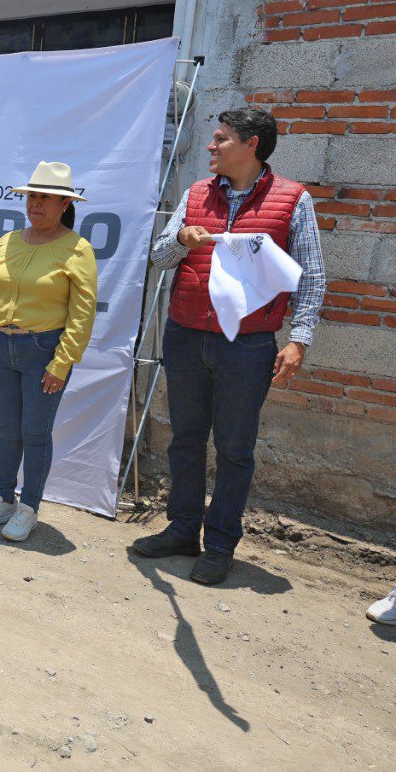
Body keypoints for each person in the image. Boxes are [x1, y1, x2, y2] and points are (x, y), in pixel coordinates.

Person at [132, 107, 325, 585]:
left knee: (235, 449)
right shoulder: (197, 193)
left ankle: (219, 545)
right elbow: (157, 257)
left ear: (251, 144)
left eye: (221, 139)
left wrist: (299, 339)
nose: (211, 146)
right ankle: (181, 530)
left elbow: (312, 276)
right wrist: (181, 238)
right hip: (187, 334)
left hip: (248, 345)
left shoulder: (292, 200)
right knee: (186, 439)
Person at [0, 162, 98, 542]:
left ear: (64, 205)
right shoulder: (10, 240)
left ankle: (29, 506)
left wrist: (62, 362)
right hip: (1, 344)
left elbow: (82, 313)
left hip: (44, 350)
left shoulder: (77, 248)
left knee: (35, 432)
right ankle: (2, 498)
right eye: (31, 196)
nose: (35, 204)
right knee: (7, 430)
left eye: (45, 198)